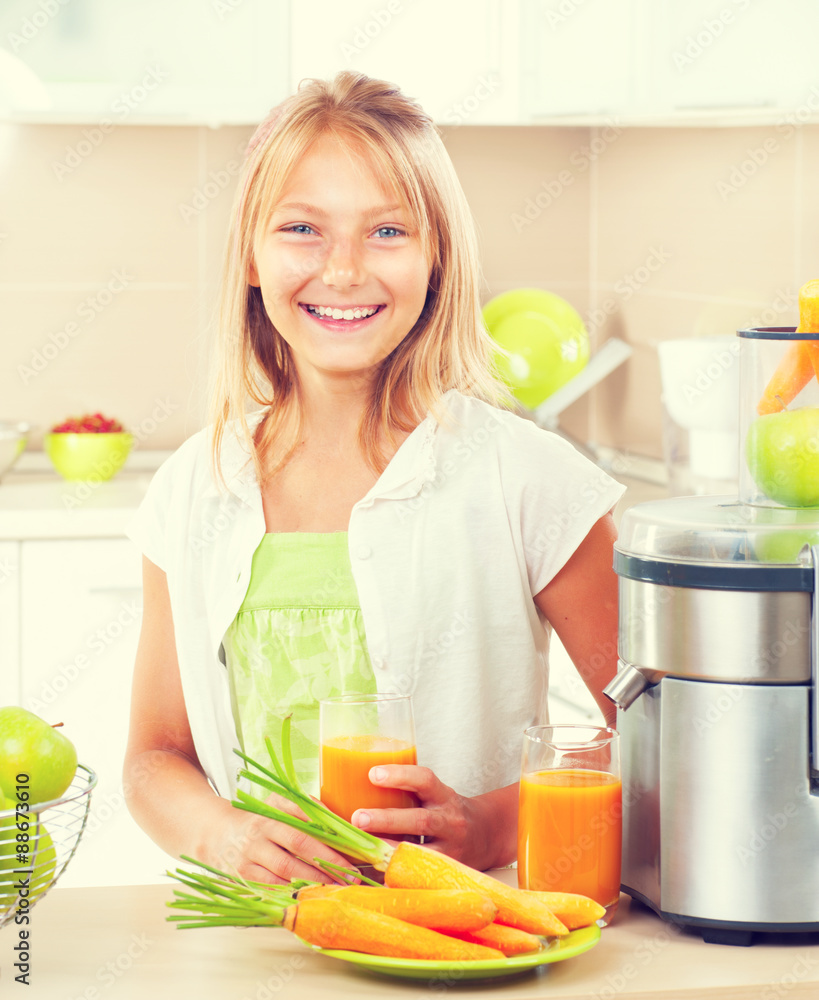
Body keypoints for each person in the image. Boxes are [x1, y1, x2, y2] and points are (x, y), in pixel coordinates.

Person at [123, 71, 625, 887]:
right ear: (251, 256)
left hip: (458, 940)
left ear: (437, 257)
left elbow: (666, 739)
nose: (345, 270)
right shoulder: (191, 490)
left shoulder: (525, 480)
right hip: (258, 945)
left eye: (387, 231)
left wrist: (488, 825)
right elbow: (153, 758)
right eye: (301, 229)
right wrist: (221, 836)